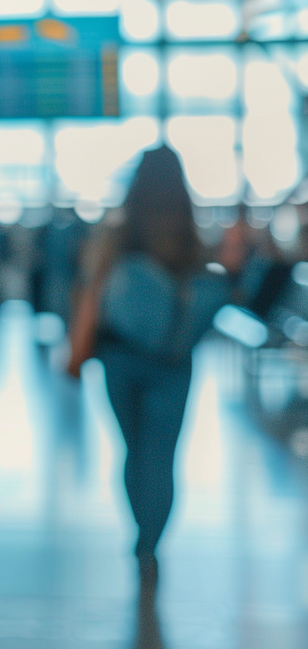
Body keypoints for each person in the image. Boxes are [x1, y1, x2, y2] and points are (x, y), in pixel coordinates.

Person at [67, 146, 225, 592]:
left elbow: (88, 290)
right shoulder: (189, 236)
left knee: (133, 450)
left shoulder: (115, 234)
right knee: (161, 456)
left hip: (118, 360)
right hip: (172, 363)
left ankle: (140, 532)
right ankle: (149, 545)